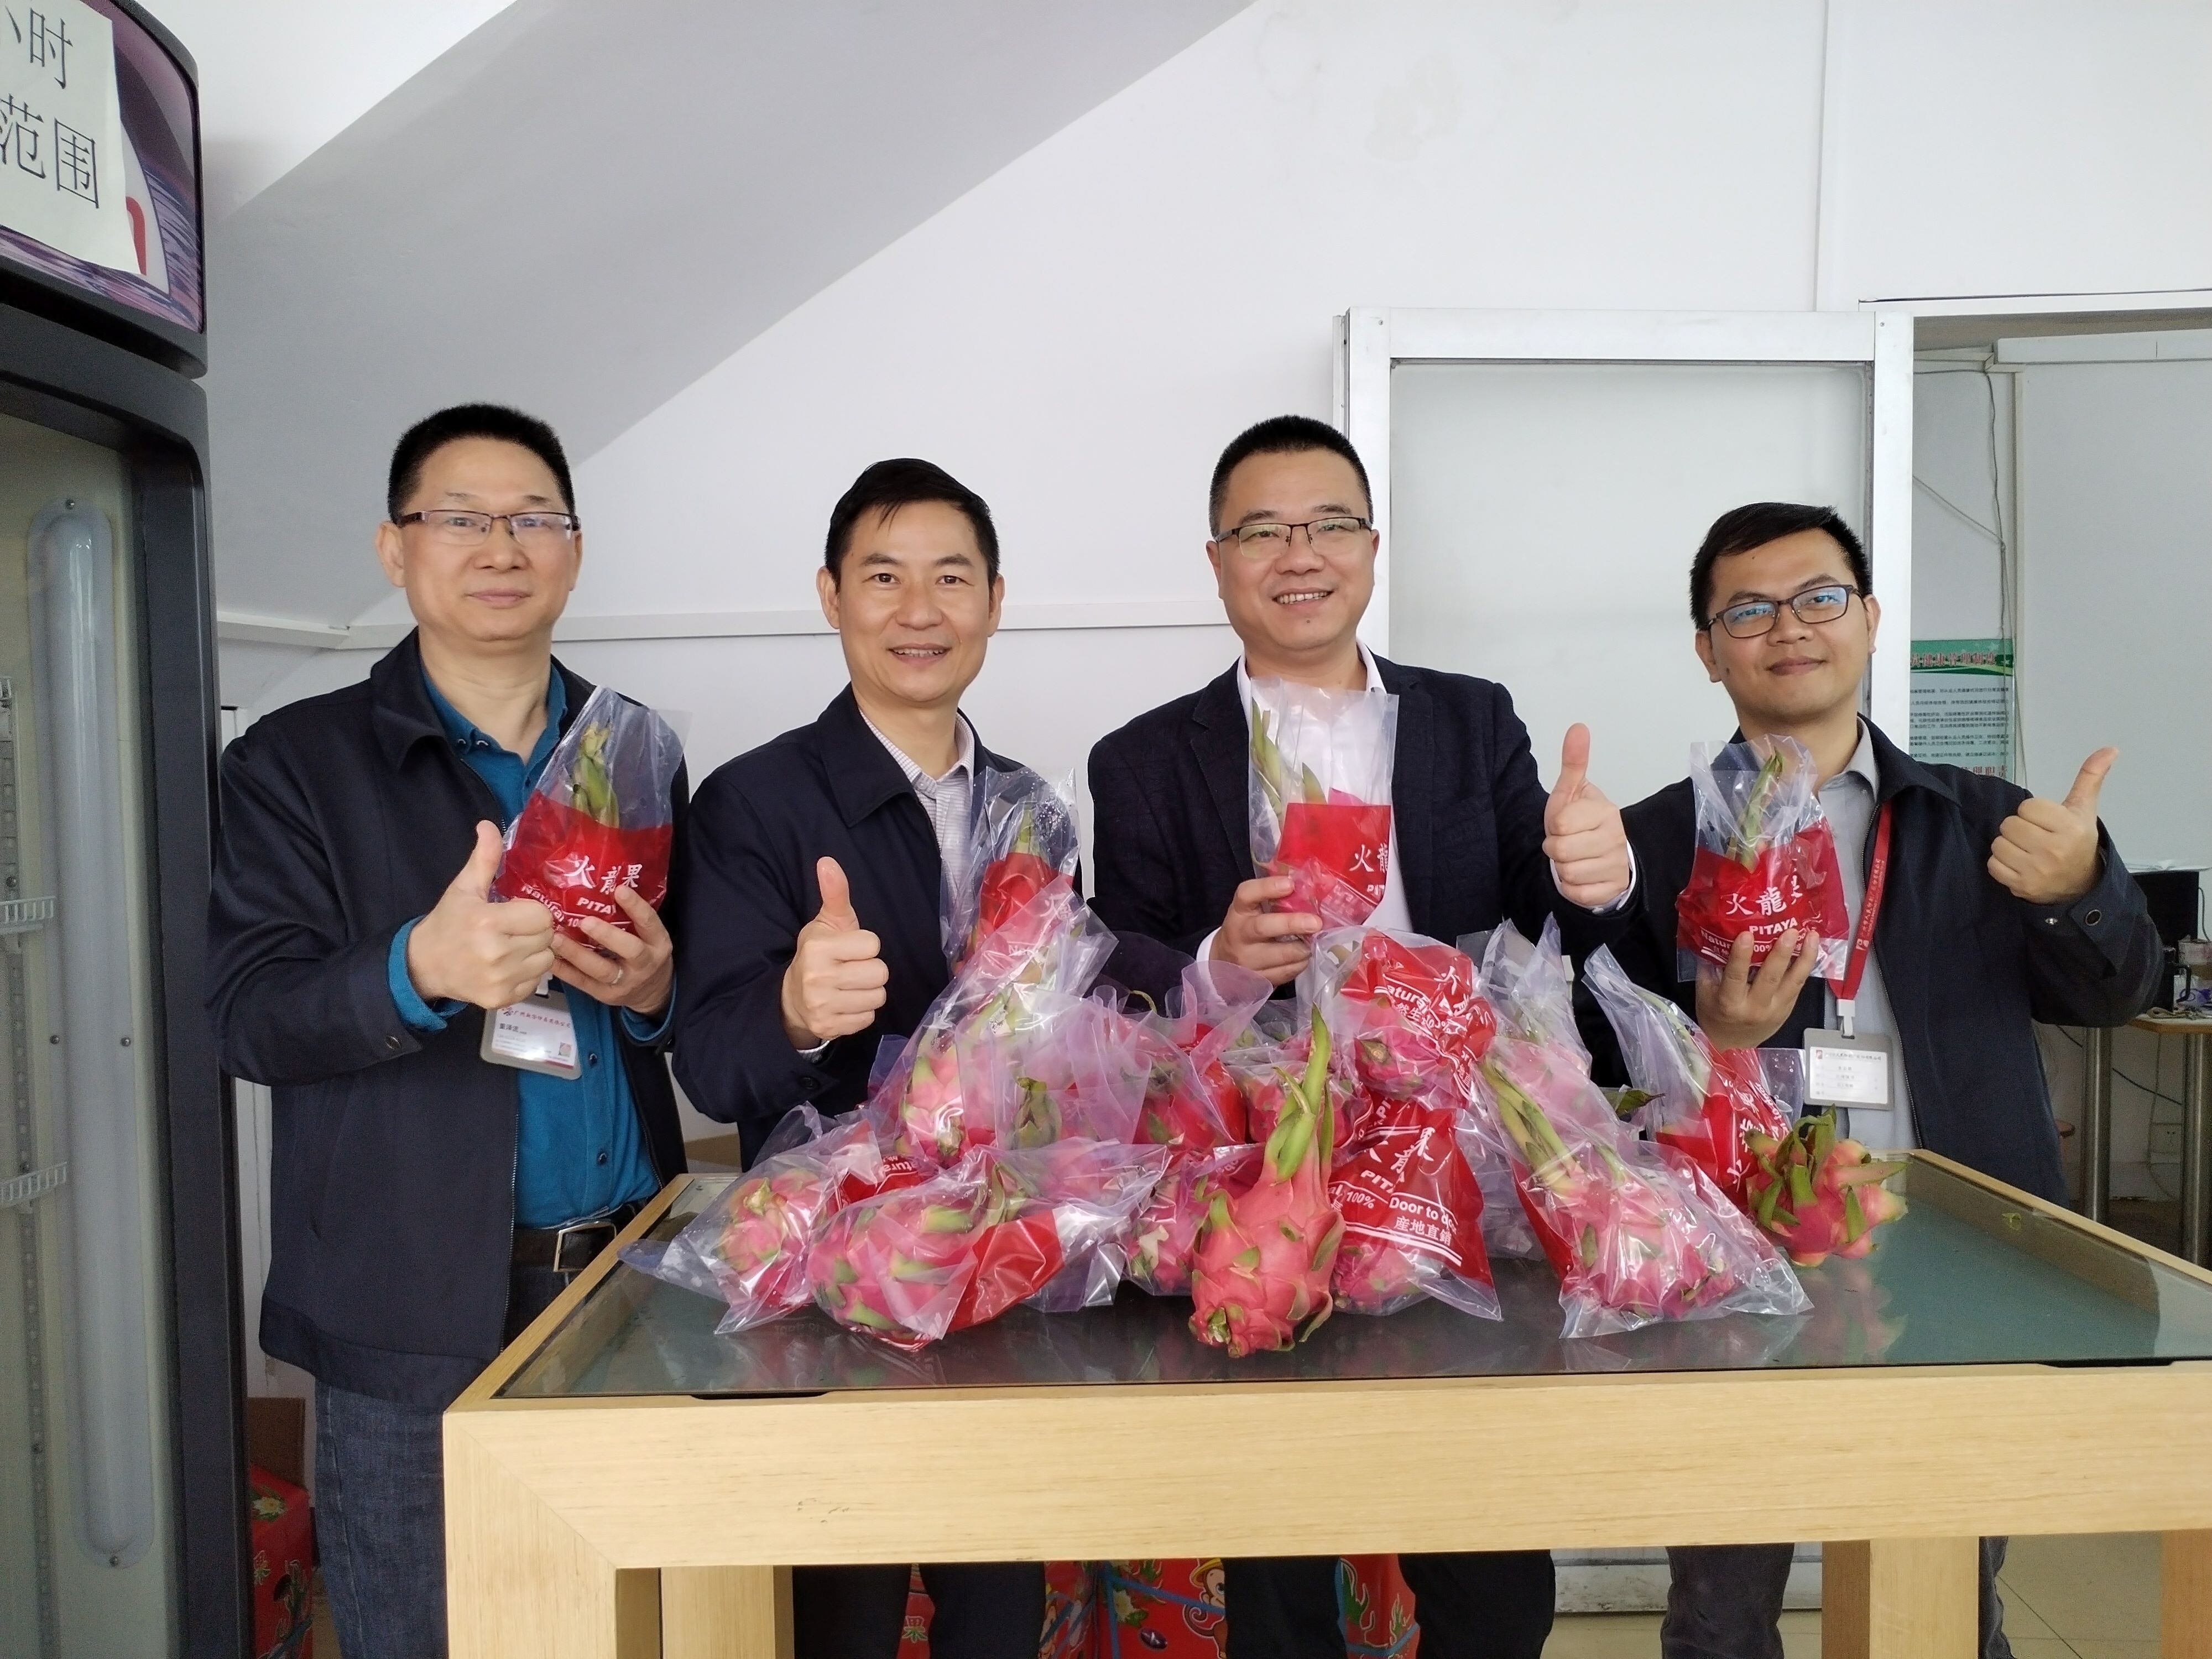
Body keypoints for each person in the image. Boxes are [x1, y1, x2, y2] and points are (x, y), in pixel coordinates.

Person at [1088, 413, 1642, 1659]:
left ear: (1373, 548)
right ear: (1217, 562)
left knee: (1490, 1574)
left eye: (1329, 523)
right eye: (1261, 531)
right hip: (1254, 1197)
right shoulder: (1141, 759)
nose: (1300, 554)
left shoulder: (1469, 721)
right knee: (1281, 1568)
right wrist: (1219, 969)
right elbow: (1122, 976)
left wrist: (1599, 873)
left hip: (1456, 1180)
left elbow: (1544, 912)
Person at [1600, 499, 2162, 1659]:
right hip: (1744, 1260)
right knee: (1719, 1604)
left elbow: (2114, 995)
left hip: (1959, 1249)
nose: (1786, 628)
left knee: (1945, 1595)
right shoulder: (1650, 843)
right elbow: (1596, 1067)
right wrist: (1715, 1040)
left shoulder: (1985, 821)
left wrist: (2079, 890)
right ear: (1707, 650)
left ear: (1866, 618)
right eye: (1747, 610)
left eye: (1817, 597)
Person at [673, 457, 1180, 1658]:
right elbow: (711, 1068)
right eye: (883, 577)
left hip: (1000, 1275)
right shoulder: (755, 804)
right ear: (831, 596)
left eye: (951, 578)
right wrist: (796, 1009)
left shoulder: (1030, 807)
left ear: (994, 601)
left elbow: (1060, 1017)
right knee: (840, 1613)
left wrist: (1194, 994)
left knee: (997, 1603)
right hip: (830, 1288)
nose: (919, 610)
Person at [208, 405, 688, 1659]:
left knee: (633, 1631)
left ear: (574, 552)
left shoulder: (635, 748)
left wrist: (654, 992)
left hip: (626, 1289)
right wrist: (417, 968)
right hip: (406, 1313)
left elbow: (684, 1005)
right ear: (395, 549)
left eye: (535, 519)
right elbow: (246, 1018)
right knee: (422, 1631)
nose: (501, 547)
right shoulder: (295, 764)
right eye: (460, 518)